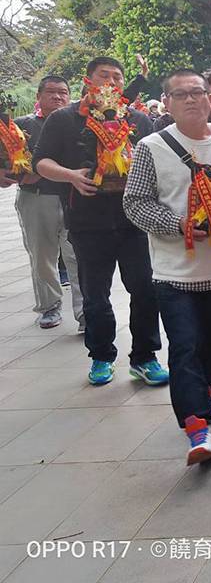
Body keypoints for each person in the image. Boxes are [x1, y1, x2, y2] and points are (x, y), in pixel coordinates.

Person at [123, 69, 211, 465]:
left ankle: (205, 396)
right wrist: (179, 225)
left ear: (209, 98)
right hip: (174, 273)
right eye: (180, 94)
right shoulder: (150, 147)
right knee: (184, 347)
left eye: (197, 92)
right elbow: (135, 203)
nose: (191, 99)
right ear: (166, 103)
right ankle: (196, 426)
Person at [33, 57, 167, 387]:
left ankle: (145, 357)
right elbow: (41, 162)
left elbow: (157, 162)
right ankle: (102, 356)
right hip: (87, 221)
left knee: (145, 289)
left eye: (117, 77)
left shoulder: (137, 119)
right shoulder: (65, 118)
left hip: (134, 221)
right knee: (95, 295)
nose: (111, 81)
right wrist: (71, 176)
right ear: (88, 80)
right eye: (103, 75)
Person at [0, 76, 84, 331]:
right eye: (51, 92)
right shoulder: (20, 126)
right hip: (36, 197)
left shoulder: (78, 124)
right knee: (41, 256)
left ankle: (86, 312)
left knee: (78, 256)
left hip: (74, 198)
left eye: (63, 92)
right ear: (38, 96)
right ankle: (49, 307)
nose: (58, 97)